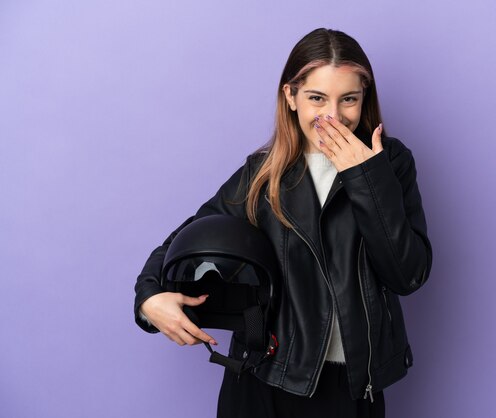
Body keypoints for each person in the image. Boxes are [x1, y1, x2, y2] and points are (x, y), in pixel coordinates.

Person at [134, 27, 433, 418]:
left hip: (353, 387)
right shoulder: (264, 172)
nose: (333, 115)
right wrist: (149, 298)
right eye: (316, 98)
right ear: (291, 97)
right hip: (264, 377)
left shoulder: (390, 164)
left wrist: (366, 179)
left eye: (349, 99)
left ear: (364, 100)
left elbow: (407, 275)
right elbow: (188, 235)